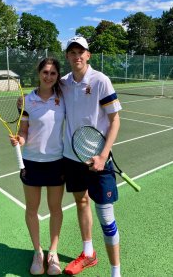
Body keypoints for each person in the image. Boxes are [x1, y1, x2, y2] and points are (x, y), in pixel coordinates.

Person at [61, 36, 122, 277]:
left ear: (88, 55)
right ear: (67, 56)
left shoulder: (101, 81)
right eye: (72, 52)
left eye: (81, 51)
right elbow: (46, 92)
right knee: (81, 201)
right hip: (72, 157)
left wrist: (103, 155)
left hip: (98, 159)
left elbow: (115, 119)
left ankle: (115, 271)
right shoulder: (64, 83)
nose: (77, 56)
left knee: (106, 217)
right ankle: (88, 253)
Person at [10, 57, 65, 276]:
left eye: (53, 73)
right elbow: (24, 131)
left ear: (57, 76)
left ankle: (53, 252)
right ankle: (37, 252)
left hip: (57, 162)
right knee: (32, 209)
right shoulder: (27, 101)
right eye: (45, 72)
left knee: (55, 209)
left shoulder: (63, 98)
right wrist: (19, 140)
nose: (48, 76)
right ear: (39, 73)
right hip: (31, 162)